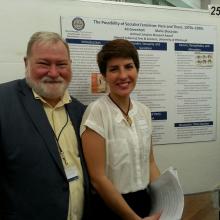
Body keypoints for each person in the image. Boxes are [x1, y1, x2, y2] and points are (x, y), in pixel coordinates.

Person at [0, 31, 90, 220]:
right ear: (26, 63)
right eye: (44, 64)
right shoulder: (3, 102)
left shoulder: (81, 111)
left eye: (61, 64)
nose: (54, 73)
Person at [80, 39, 161, 220]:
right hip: (111, 207)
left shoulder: (144, 112)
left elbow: (150, 163)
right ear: (104, 75)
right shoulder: (96, 112)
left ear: (137, 70)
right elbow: (98, 179)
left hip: (144, 201)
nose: (123, 75)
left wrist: (165, 200)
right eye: (114, 69)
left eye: (128, 66)